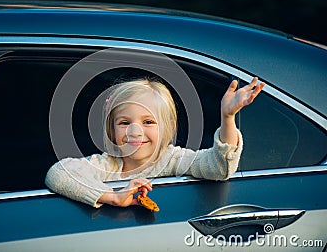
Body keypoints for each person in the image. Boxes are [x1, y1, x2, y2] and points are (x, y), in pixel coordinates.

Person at [45, 77, 265, 208]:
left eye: (148, 121)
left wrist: (227, 119)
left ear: (166, 127)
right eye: (124, 122)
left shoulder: (172, 159)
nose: (135, 131)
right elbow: (59, 173)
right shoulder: (107, 164)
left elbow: (219, 167)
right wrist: (113, 196)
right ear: (111, 129)